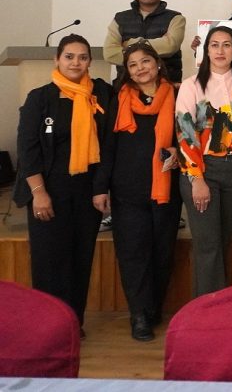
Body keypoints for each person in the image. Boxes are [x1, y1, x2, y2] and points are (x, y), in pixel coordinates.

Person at [16, 34, 114, 334]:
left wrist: (101, 188)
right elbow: (28, 149)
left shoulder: (101, 94)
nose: (75, 63)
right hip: (48, 190)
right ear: (56, 59)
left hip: (87, 191)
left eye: (82, 57)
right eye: (69, 56)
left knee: (80, 258)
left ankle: (72, 323)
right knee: (49, 260)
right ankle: (49, 326)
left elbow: (108, 145)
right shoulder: (40, 98)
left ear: (89, 61)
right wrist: (39, 193)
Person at [108, 42, 181, 341]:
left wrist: (178, 151)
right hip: (127, 190)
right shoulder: (119, 99)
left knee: (162, 252)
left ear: (157, 63)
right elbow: (108, 147)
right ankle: (138, 315)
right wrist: (101, 188)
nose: (140, 68)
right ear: (127, 71)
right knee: (133, 253)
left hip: (166, 190)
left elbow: (189, 135)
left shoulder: (177, 94)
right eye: (133, 64)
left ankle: (153, 308)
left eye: (145, 61)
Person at [176, 26, 232, 296]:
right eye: (214, 45)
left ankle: (218, 302)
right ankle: (207, 309)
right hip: (203, 170)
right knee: (207, 244)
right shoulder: (192, 85)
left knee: (222, 240)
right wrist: (196, 178)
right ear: (205, 50)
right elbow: (185, 134)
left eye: (227, 45)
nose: (220, 50)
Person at [104, 0, 186, 84]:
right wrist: (154, 46)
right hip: (125, 86)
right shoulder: (120, 18)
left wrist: (129, 44)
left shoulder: (175, 18)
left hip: (166, 85)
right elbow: (109, 54)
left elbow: (170, 46)